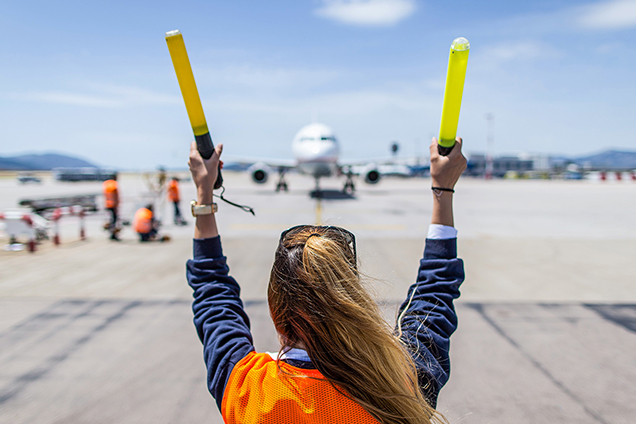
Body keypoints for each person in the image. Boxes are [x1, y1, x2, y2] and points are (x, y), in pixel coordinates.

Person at [186, 138, 466, 424]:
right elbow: (435, 295)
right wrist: (443, 189)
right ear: (352, 299)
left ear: (275, 311)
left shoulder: (247, 390)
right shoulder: (399, 385)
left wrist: (204, 194)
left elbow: (213, 295)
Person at [102, 175, 120, 241]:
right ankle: (113, 234)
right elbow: (115, 195)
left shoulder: (107, 184)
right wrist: (117, 204)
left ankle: (111, 232)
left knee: (110, 220)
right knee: (114, 221)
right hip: (113, 205)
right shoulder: (114, 184)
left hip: (107, 204)